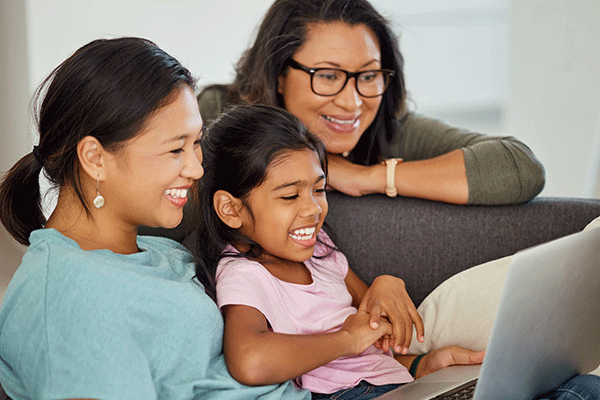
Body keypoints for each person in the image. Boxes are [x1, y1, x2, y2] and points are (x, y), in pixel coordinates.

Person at [0, 37, 309, 400]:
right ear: (95, 158)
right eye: (176, 149)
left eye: (196, 143)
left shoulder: (155, 250)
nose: (196, 168)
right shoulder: (64, 291)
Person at [195, 104, 487, 399]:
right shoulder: (243, 273)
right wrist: (346, 339)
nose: (313, 208)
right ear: (231, 209)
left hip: (395, 384)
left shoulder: (320, 249)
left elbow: (370, 336)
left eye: (319, 190)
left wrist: (422, 363)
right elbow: (250, 362)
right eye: (290, 195)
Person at [197, 0, 545, 205]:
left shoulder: (389, 129)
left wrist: (368, 177)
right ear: (279, 75)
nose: (352, 103)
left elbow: (519, 168)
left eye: (367, 76)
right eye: (329, 76)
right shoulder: (218, 114)